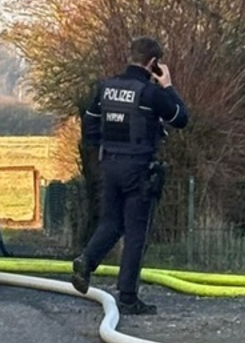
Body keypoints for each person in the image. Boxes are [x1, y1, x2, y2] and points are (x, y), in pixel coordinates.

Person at [71, 36, 189, 314]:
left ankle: (87, 261)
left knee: (111, 221)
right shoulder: (150, 93)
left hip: (109, 164)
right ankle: (127, 297)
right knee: (137, 232)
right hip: (137, 167)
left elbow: (89, 122)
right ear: (153, 63)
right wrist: (168, 85)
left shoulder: (105, 88)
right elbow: (181, 118)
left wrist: (102, 146)